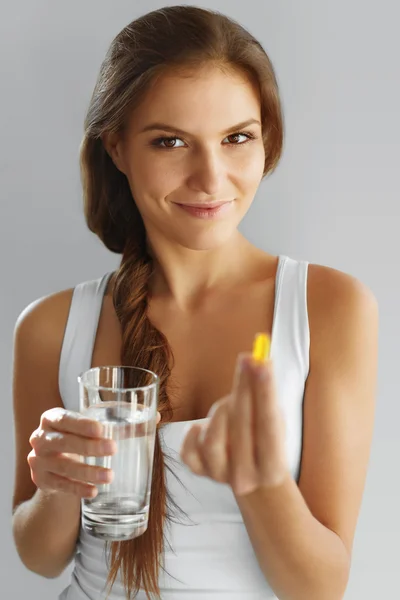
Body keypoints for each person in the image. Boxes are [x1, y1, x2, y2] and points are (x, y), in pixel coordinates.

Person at [11, 5, 379, 600]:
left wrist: (261, 483)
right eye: (170, 141)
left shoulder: (330, 308)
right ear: (117, 148)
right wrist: (56, 486)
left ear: (267, 139)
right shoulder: (52, 327)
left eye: (237, 138)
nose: (211, 178)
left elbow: (320, 587)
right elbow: (39, 555)